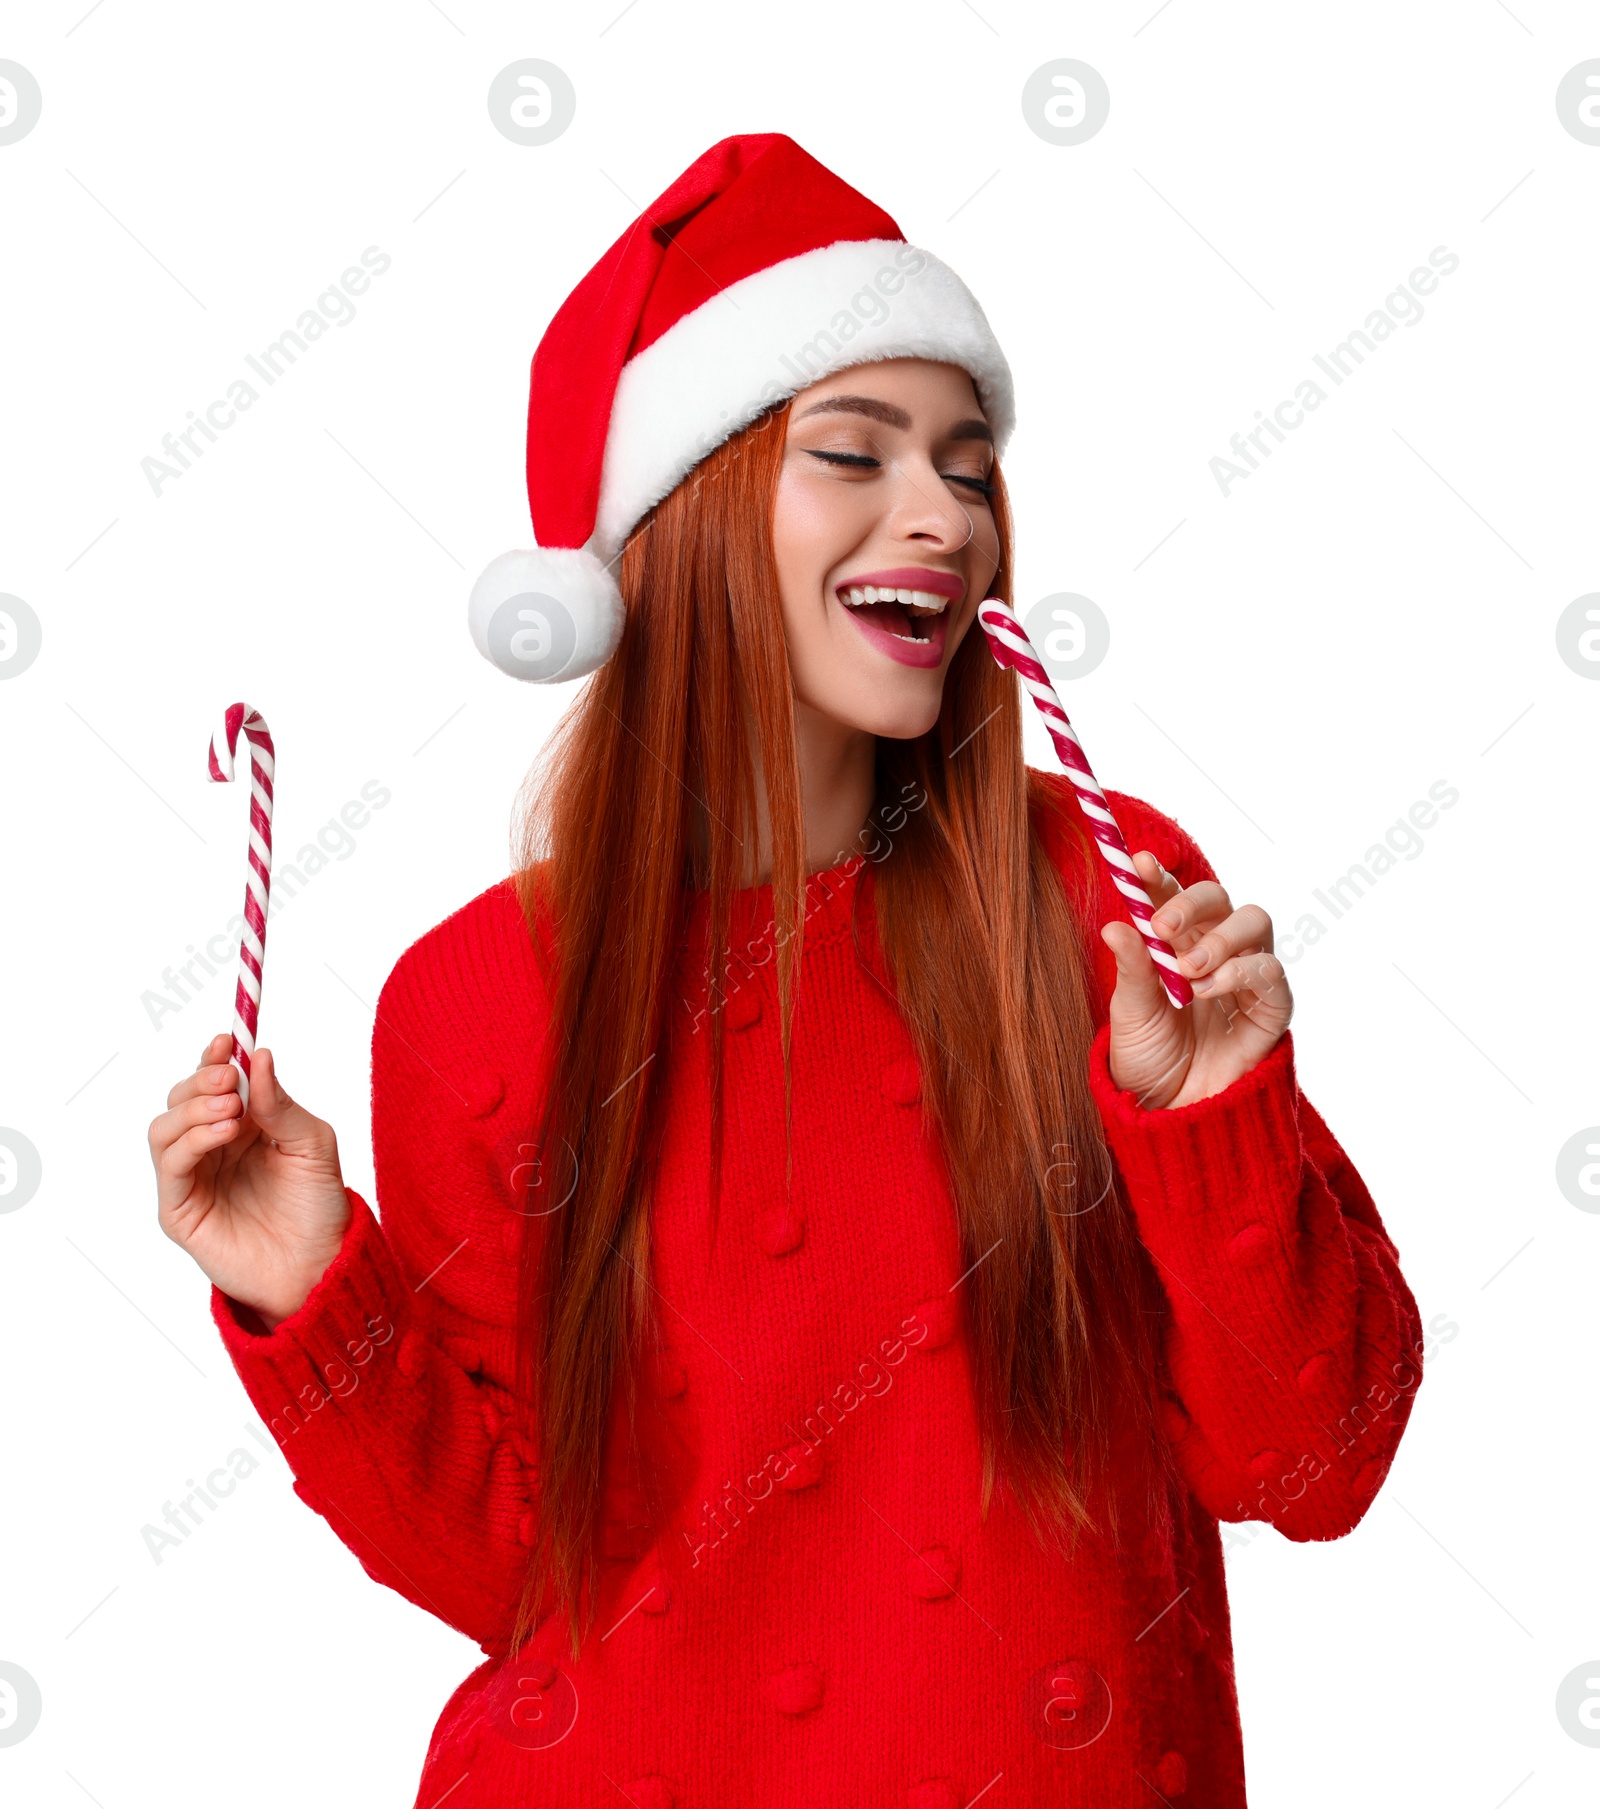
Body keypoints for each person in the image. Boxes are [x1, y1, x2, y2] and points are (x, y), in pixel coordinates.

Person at [147, 134, 1424, 1807]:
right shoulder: (471, 1000)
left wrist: (1213, 1118)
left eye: (970, 468)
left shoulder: (1103, 900)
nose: (944, 515)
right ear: (678, 516)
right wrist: (318, 1293)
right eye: (857, 452)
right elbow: (517, 1579)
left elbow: (1314, 1463)